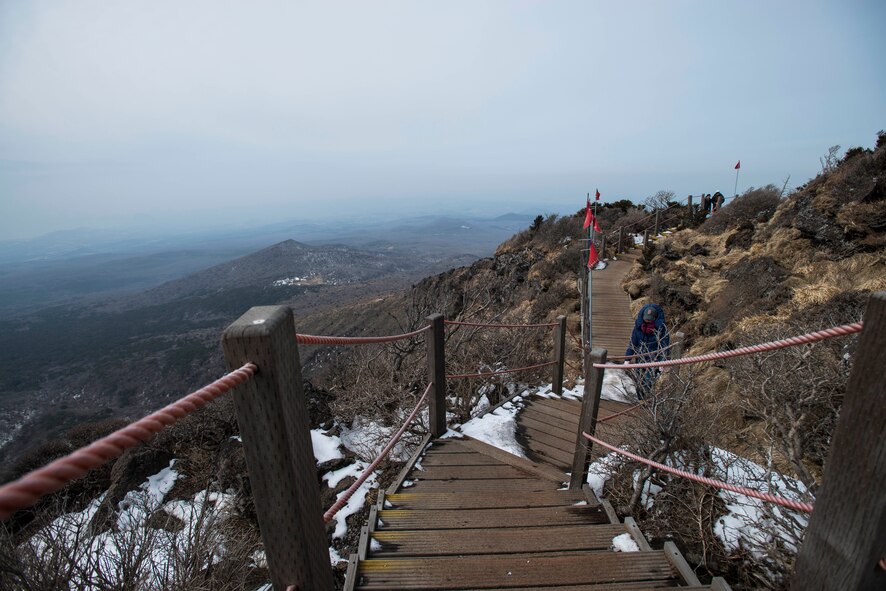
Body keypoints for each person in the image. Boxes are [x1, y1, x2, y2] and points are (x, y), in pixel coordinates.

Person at [624, 303, 670, 399]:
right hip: (640, 357)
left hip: (654, 359)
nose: (648, 320)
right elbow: (633, 343)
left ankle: (646, 400)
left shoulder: (661, 329)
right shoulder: (638, 327)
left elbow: (664, 346)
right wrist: (627, 359)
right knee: (638, 379)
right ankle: (641, 400)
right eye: (646, 318)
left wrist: (662, 362)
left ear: (655, 318)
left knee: (648, 381)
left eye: (650, 318)